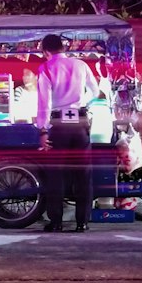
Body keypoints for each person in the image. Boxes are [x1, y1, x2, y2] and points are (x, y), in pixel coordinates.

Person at [36, 32, 99, 233]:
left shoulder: (45, 67)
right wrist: (83, 104)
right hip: (80, 122)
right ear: (63, 48)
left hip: (58, 124)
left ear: (46, 51)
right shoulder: (81, 65)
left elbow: (44, 103)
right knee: (83, 174)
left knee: (56, 174)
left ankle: (56, 222)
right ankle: (83, 222)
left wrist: (43, 130)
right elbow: (95, 92)